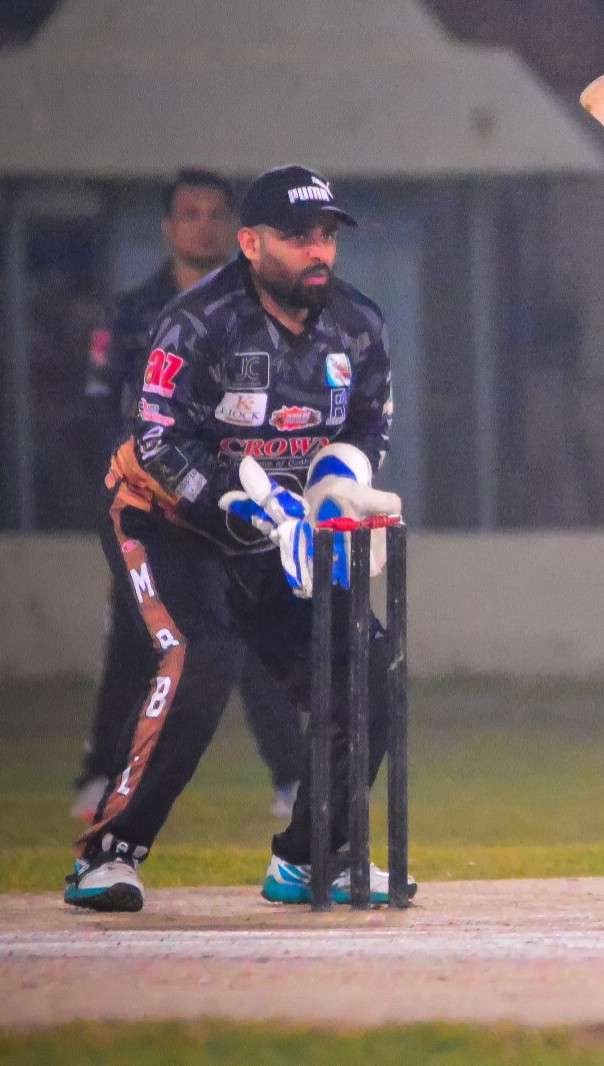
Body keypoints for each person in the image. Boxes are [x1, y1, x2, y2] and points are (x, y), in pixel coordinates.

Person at [64, 165, 412, 913]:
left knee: (365, 664)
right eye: (298, 236)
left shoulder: (358, 324)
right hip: (164, 518)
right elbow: (158, 441)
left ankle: (311, 855)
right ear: (251, 244)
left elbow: (366, 425)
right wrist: (249, 504)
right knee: (202, 657)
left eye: (326, 235)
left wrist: (332, 491)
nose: (317, 251)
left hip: (275, 529)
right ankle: (109, 853)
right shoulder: (199, 321)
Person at [73, 169, 306, 824]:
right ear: (168, 227)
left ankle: (293, 777)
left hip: (232, 497)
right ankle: (103, 774)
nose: (202, 227)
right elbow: (101, 411)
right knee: (137, 634)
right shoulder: (133, 312)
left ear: (235, 229)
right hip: (150, 503)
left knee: (252, 632)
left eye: (214, 214)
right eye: (189, 213)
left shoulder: (259, 307)